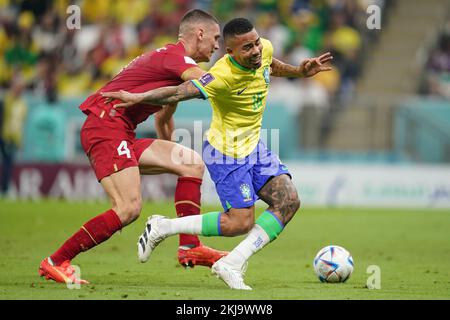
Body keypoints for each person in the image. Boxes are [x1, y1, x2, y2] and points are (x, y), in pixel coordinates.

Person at [102, 18, 333, 290]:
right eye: (247, 48)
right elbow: (178, 92)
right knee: (240, 222)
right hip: (226, 153)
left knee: (289, 201)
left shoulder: (265, 50)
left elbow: (270, 65)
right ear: (230, 52)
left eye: (256, 43)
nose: (256, 50)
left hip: (253, 146)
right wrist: (139, 98)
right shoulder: (220, 75)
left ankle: (231, 263)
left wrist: (298, 71)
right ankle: (163, 227)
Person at [38, 9, 228, 285]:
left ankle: (190, 247)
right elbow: (208, 82)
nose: (216, 45)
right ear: (199, 34)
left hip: (120, 131)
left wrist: (171, 158)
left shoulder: (171, 67)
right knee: (128, 208)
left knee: (190, 162)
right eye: (215, 38)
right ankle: (56, 261)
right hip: (106, 125)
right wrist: (239, 76)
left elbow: (164, 118)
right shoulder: (176, 58)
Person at [0, 76, 28, 197]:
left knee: (9, 163)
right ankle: (5, 188)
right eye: (18, 87)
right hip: (4, 135)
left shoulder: (23, 104)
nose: (19, 90)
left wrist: (20, 140)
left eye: (21, 88)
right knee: (7, 163)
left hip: (14, 138)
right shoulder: (5, 101)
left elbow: (19, 124)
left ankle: (5, 189)